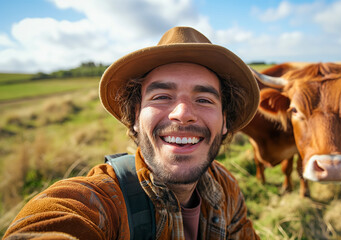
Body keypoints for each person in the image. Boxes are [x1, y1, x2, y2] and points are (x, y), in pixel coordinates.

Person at [3, 26, 260, 240]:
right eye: (161, 96)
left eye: (204, 100)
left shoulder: (226, 188)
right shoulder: (100, 200)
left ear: (225, 121)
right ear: (135, 117)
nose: (182, 113)